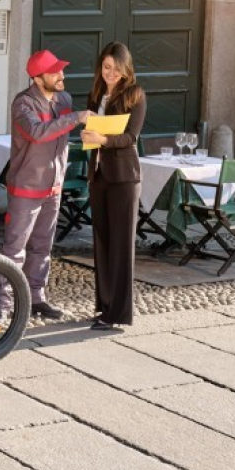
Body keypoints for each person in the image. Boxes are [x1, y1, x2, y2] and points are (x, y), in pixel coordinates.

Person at [0, 49, 89, 319]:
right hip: (26, 187)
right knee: (14, 249)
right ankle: (2, 305)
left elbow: (61, 135)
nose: (62, 75)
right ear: (38, 78)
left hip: (53, 186)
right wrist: (75, 118)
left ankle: (36, 298)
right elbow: (37, 133)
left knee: (42, 247)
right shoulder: (22, 104)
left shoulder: (64, 99)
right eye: (54, 72)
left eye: (61, 70)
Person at [80, 42, 146, 331]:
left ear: (125, 68)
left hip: (124, 178)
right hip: (98, 176)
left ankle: (119, 314)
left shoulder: (135, 95)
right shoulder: (95, 94)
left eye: (116, 68)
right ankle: (104, 307)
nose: (111, 73)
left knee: (121, 246)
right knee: (102, 243)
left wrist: (103, 139)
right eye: (107, 67)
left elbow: (131, 137)